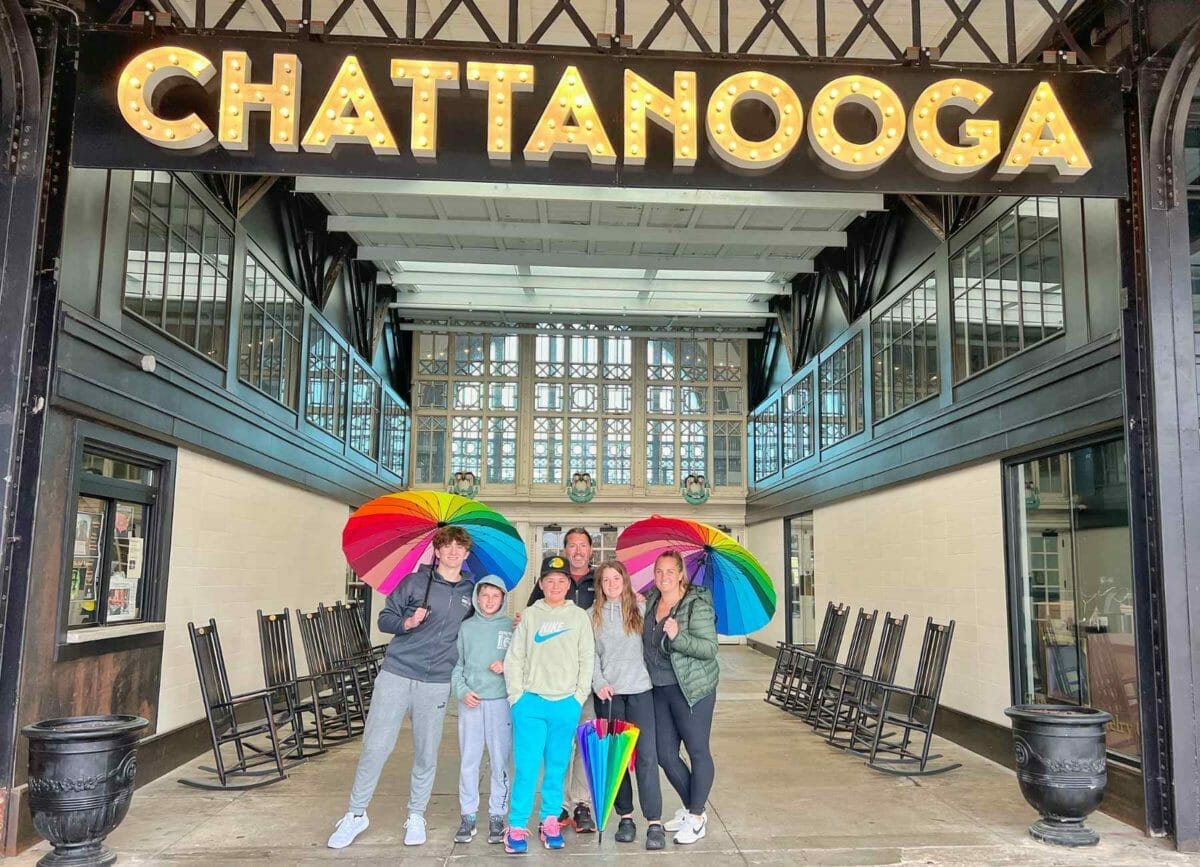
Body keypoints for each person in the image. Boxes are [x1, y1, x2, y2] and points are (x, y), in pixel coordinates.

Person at [327, 526, 476, 850]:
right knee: (376, 745)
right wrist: (407, 623)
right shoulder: (413, 583)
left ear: (466, 554)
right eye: (446, 545)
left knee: (426, 752)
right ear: (437, 551)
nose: (453, 551)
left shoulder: (471, 591)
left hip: (436, 681)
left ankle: (417, 815)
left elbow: (479, 628)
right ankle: (355, 814)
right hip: (397, 673)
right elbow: (385, 619)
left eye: (459, 547)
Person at [503, 555, 594, 854]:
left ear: (569, 584)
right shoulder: (530, 615)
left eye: (561, 581)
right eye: (549, 581)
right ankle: (516, 824)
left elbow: (587, 660)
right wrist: (517, 698)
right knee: (527, 768)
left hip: (565, 705)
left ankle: (550, 820)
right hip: (531, 703)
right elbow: (514, 658)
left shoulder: (579, 617)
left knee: (557, 768)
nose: (555, 586)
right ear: (541, 584)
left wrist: (577, 697)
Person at [642, 549, 719, 845]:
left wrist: (679, 636)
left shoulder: (696, 605)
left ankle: (697, 816)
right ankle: (693, 808)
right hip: (660, 688)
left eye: (670, 572)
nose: (664, 577)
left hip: (692, 689)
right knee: (665, 754)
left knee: (698, 751)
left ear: (680, 574)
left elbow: (709, 648)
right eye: (659, 571)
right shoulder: (651, 600)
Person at [526, 527, 598, 833]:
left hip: (587, 676)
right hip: (554, 679)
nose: (578, 550)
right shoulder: (553, 580)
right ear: (565, 550)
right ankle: (559, 805)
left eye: (583, 545)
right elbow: (532, 615)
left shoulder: (602, 579)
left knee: (584, 740)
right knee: (558, 745)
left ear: (591, 550)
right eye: (572, 545)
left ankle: (581, 803)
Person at [590, 559, 666, 850]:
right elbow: (591, 655)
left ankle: (654, 822)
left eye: (616, 579)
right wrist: (599, 683)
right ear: (600, 585)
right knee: (617, 760)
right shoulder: (592, 616)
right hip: (610, 696)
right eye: (606, 580)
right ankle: (626, 817)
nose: (611, 585)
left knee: (646, 757)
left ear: (625, 582)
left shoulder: (641, 609)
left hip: (641, 692)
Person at [450, 576, 514, 846]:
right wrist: (462, 691)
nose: (489, 601)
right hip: (472, 703)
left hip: (501, 702)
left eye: (495, 596)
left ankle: (498, 815)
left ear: (502, 599)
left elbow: (522, 661)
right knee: (469, 760)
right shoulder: (466, 628)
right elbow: (456, 666)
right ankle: (468, 815)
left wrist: (506, 665)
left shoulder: (511, 627)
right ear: (477, 597)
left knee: (500, 760)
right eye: (484, 595)